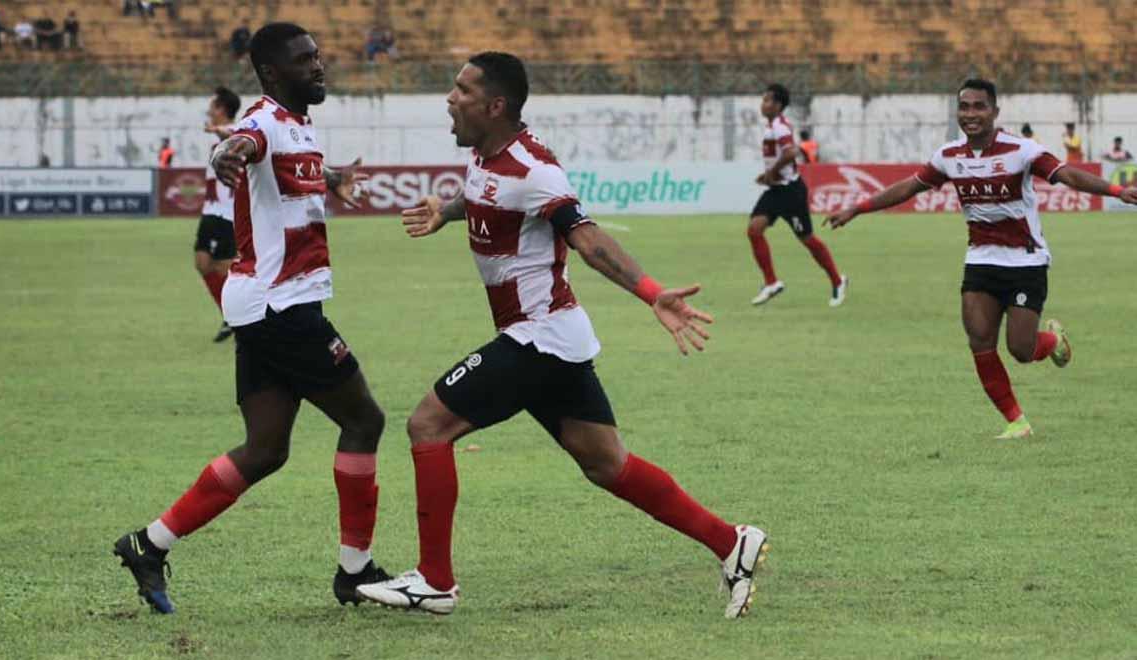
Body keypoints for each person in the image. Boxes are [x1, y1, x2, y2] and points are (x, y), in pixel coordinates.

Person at [354, 52, 769, 620]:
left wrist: (653, 293)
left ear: (494, 106)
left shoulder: (535, 169)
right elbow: (485, 197)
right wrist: (447, 211)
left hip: (538, 337)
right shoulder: (485, 155)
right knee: (607, 465)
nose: (450, 99)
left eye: (461, 90)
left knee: (428, 424)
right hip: (556, 338)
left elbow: (587, 239)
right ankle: (731, 541)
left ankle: (435, 581)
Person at [112, 22, 383, 614]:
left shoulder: (296, 126)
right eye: (305, 59)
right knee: (365, 421)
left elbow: (293, 171)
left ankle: (149, 543)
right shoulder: (259, 123)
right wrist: (225, 155)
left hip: (258, 305)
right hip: (283, 307)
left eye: (317, 55)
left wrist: (334, 178)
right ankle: (355, 572)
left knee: (266, 449)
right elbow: (238, 146)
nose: (318, 65)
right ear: (271, 73)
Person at [826, 79, 1137, 439]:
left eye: (979, 107)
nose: (970, 114)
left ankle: (1052, 341)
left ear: (994, 112)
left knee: (1021, 349)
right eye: (964, 107)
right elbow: (908, 187)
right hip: (980, 261)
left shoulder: (1021, 150)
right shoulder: (949, 156)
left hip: (1025, 261)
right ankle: (1016, 422)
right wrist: (857, 208)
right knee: (979, 340)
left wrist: (1116, 190)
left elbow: (1065, 174)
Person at [747, 83, 846, 307]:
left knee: (807, 239)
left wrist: (771, 172)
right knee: (754, 230)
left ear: (778, 105)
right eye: (763, 99)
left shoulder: (780, 127)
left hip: (791, 192)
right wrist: (768, 176)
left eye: (767, 100)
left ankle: (838, 280)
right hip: (776, 190)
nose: (763, 104)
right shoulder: (772, 126)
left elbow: (792, 152)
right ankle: (771, 282)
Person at [194, 86, 241, 343]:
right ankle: (230, 316)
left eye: (212, 106)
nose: (209, 111)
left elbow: (230, 133)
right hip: (210, 212)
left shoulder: (236, 133)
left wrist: (217, 130)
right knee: (202, 263)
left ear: (222, 110)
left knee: (225, 268)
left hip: (226, 215)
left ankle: (241, 317)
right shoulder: (219, 140)